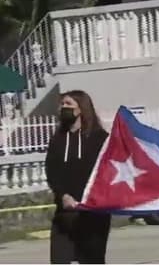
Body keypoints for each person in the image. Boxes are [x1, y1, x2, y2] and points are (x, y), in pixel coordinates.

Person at [45, 90, 111, 264]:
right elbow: (51, 171)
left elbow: (108, 171)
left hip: (93, 212)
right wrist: (63, 195)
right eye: (62, 104)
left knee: (91, 260)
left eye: (68, 104)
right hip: (65, 212)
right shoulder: (57, 139)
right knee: (59, 258)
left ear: (81, 108)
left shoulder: (100, 138)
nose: (63, 108)